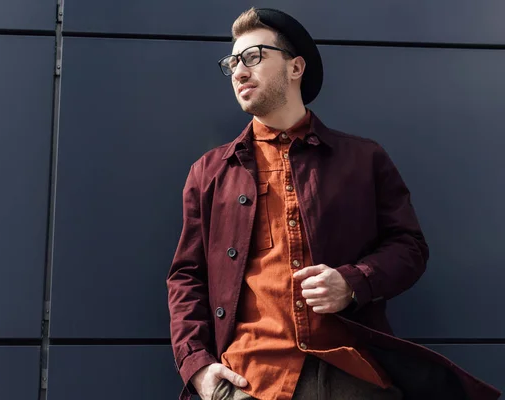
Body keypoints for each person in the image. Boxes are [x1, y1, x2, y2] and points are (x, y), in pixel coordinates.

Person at [166, 7, 500, 400]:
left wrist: (353, 282)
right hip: (249, 381)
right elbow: (186, 277)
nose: (239, 71)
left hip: (353, 374)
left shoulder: (363, 158)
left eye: (254, 56)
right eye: (232, 62)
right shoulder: (210, 172)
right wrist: (198, 368)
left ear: (295, 67)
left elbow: (410, 248)